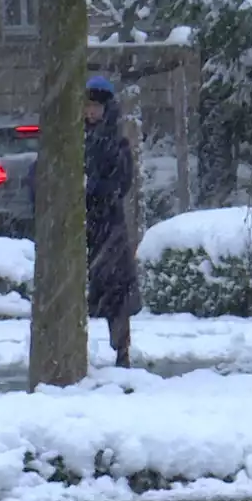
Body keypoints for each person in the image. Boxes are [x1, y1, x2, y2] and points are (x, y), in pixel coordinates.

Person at [83, 76, 141, 368]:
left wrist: (93, 189)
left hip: (107, 227)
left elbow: (121, 183)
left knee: (116, 292)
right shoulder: (73, 140)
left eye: (95, 106)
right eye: (87, 105)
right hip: (81, 228)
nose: (90, 112)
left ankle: (122, 350)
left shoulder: (115, 142)